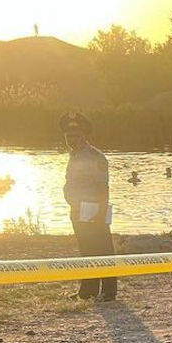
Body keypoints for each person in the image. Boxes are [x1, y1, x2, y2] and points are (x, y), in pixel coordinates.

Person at [61, 112, 117, 302]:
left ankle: (109, 291)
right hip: (78, 209)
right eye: (68, 136)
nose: (71, 139)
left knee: (102, 249)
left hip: (93, 209)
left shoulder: (95, 156)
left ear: (84, 135)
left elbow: (103, 186)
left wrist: (100, 212)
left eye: (76, 135)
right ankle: (88, 289)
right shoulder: (74, 155)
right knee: (86, 250)